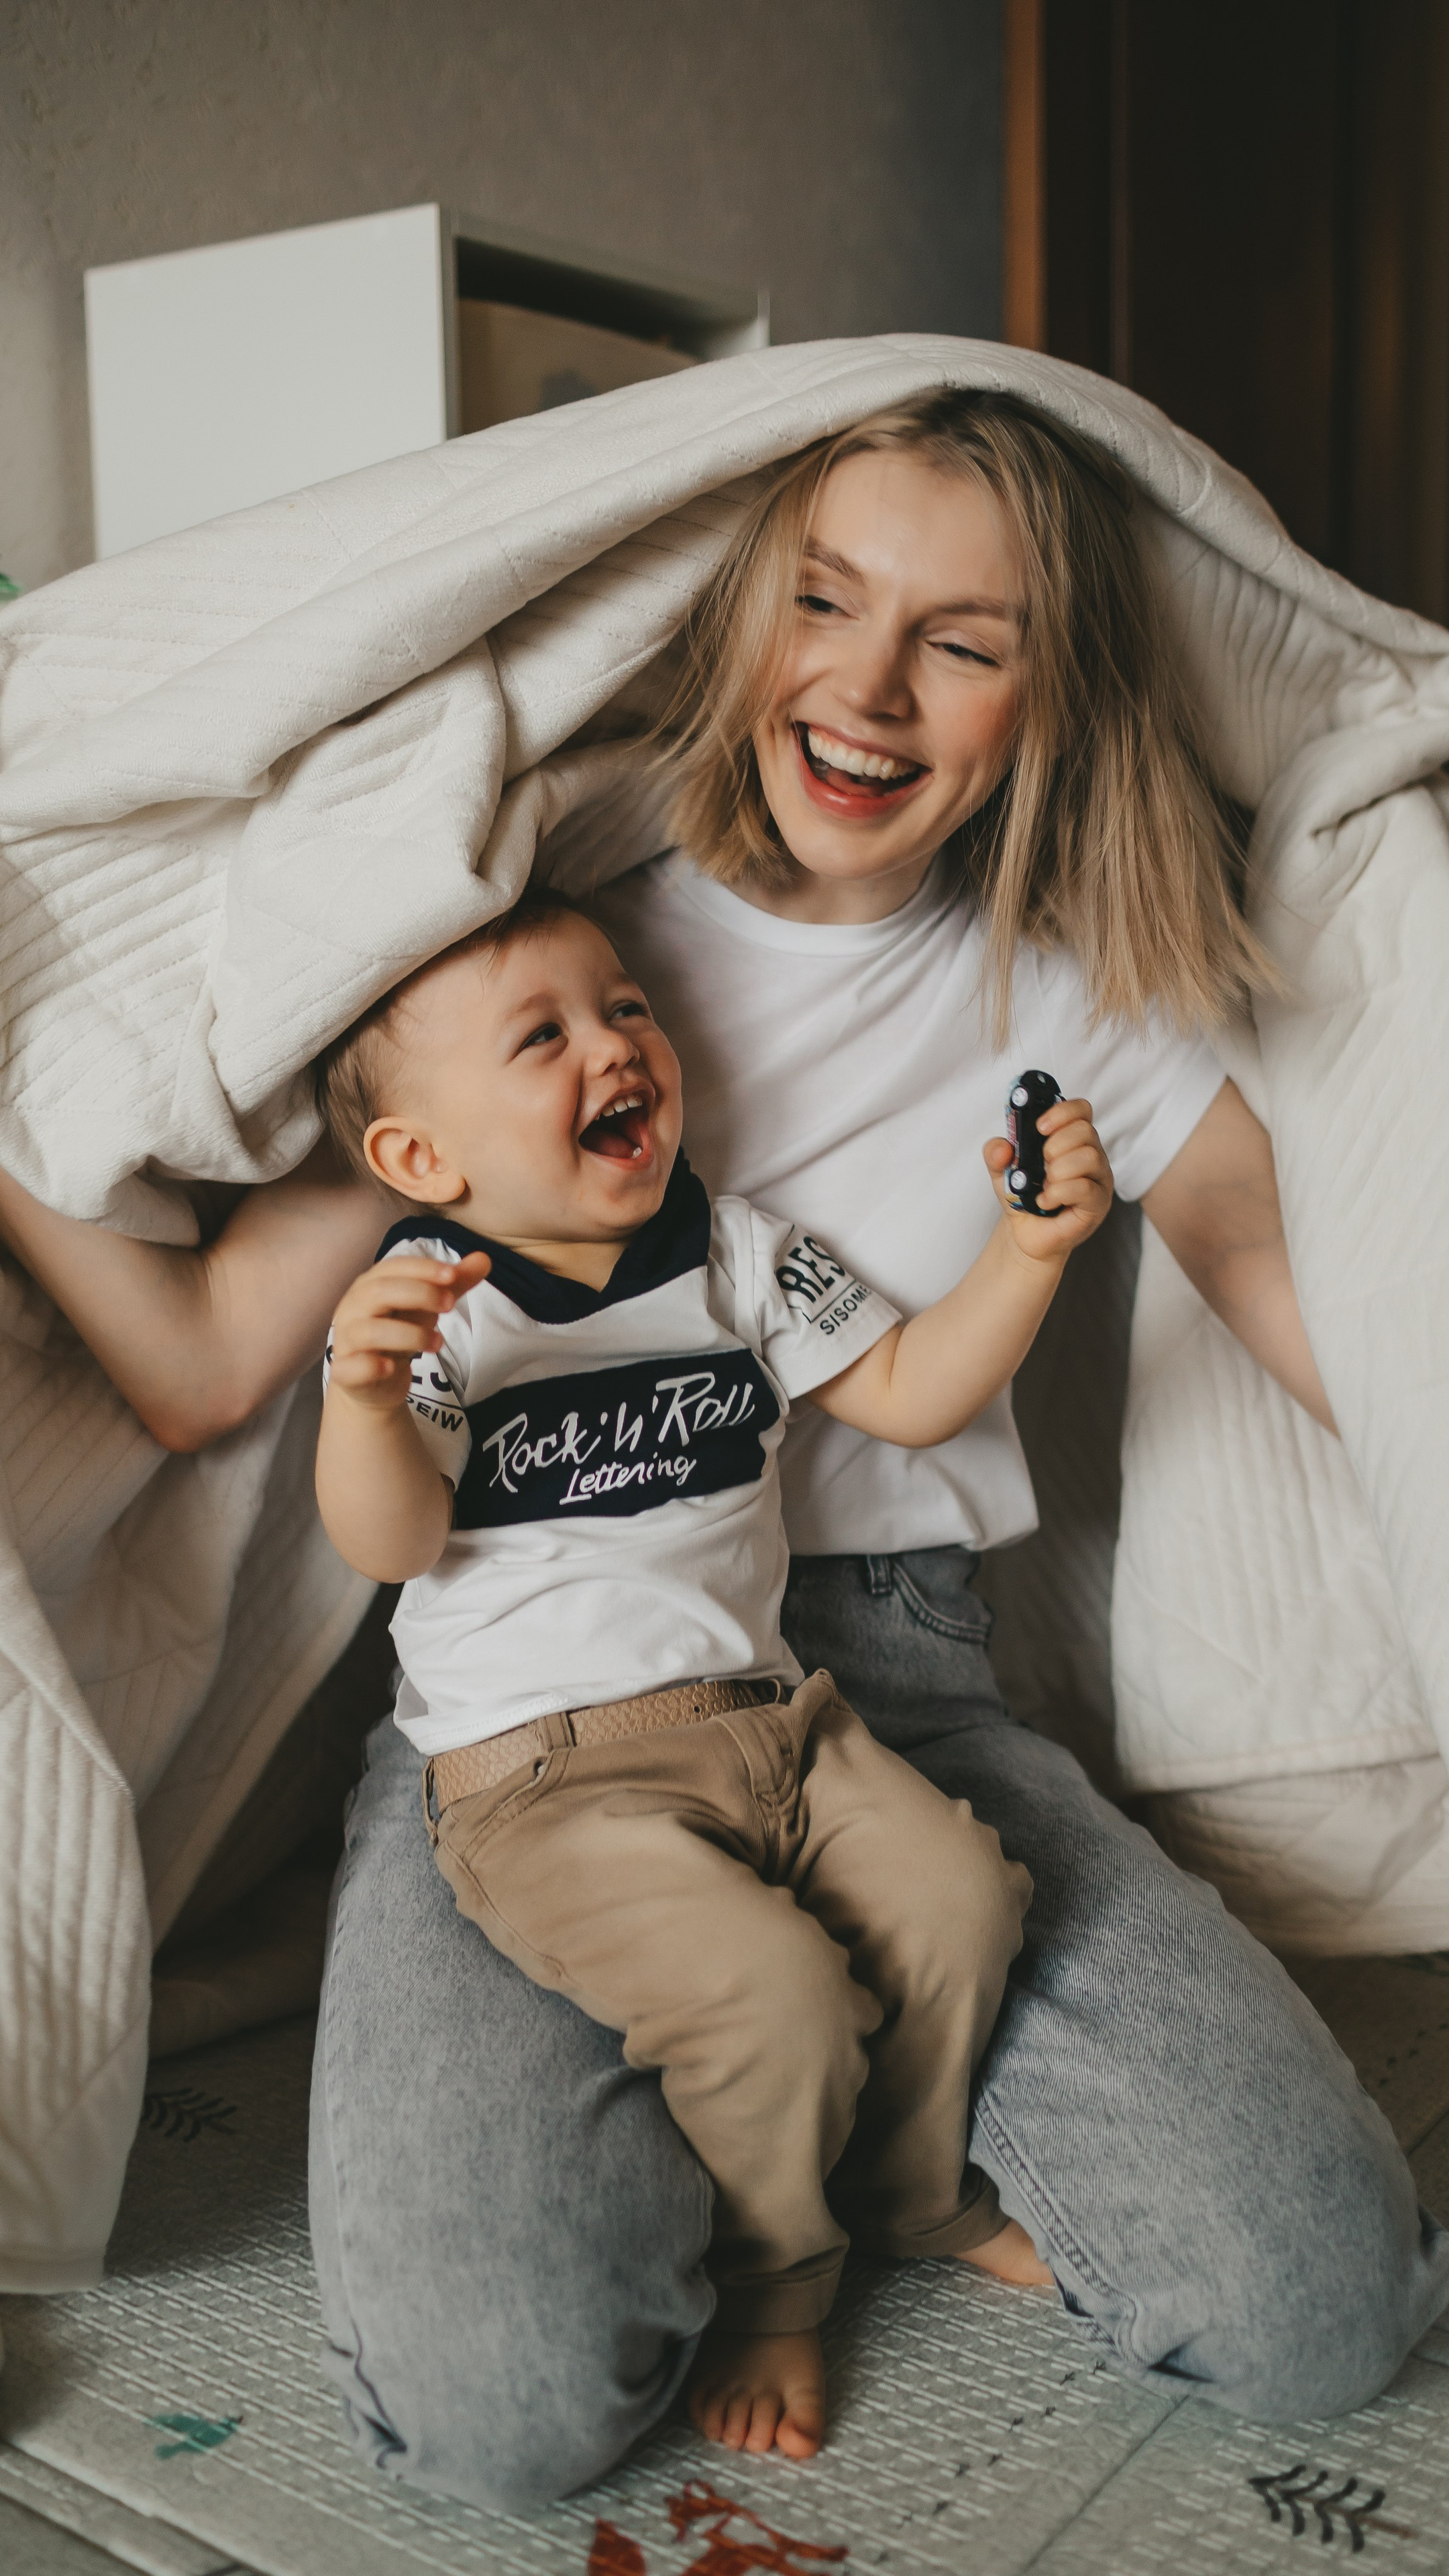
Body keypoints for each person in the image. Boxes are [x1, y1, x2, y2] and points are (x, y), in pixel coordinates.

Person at [0, 386, 1449, 2510]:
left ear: (1049, 689)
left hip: (877, 1684)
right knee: (496, 2413)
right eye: (825, 603)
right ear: (740, 613)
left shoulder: (1080, 989)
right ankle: (712, 2079)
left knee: (1322, 2302)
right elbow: (209, 1362)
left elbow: (1280, 1303)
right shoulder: (543, 938)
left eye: (961, 640)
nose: (866, 688)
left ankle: (831, 2145)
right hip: (519, 1726)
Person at [313, 887, 1116, 2456]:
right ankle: (776, 2280)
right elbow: (394, 1540)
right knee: (772, 1996)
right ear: (423, 1159)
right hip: (547, 1780)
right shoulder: (433, 1309)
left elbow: (906, 1389)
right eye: (541, 1038)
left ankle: (910, 2191)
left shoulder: (739, 1249)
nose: (614, 1047)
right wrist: (358, 1398)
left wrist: (1031, 1248)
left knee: (960, 1901)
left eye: (623, 1008)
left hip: (778, 1724)